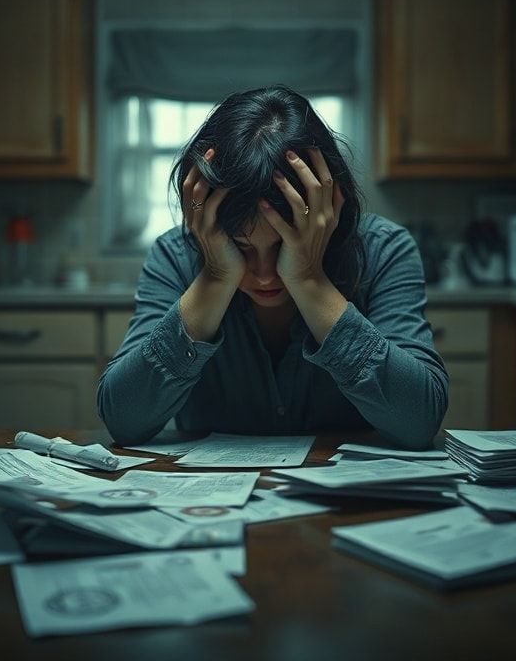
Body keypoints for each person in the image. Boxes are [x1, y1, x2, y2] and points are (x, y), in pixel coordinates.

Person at [98, 85, 448, 449]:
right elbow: (124, 422)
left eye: (283, 245)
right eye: (241, 246)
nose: (265, 274)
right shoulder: (176, 255)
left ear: (328, 211)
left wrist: (309, 279)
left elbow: (419, 423)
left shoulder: (383, 250)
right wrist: (216, 278)